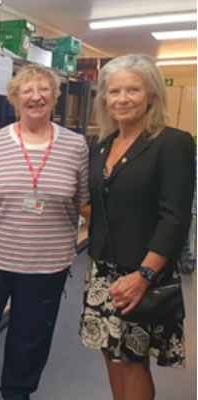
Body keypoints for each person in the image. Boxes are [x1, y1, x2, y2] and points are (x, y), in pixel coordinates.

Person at [0, 64, 89, 400]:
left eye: (43, 89)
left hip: (47, 266)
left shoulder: (76, 147)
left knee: (30, 341)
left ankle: (17, 395)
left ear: (54, 97)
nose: (35, 96)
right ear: (14, 99)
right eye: (26, 90)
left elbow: (85, 204)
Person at [80, 54, 194, 400]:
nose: (122, 98)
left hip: (143, 271)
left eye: (133, 89)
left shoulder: (171, 142)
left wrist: (143, 275)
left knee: (132, 360)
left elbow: (175, 217)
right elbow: (98, 203)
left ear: (151, 95)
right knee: (109, 353)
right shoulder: (102, 144)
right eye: (114, 91)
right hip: (103, 270)